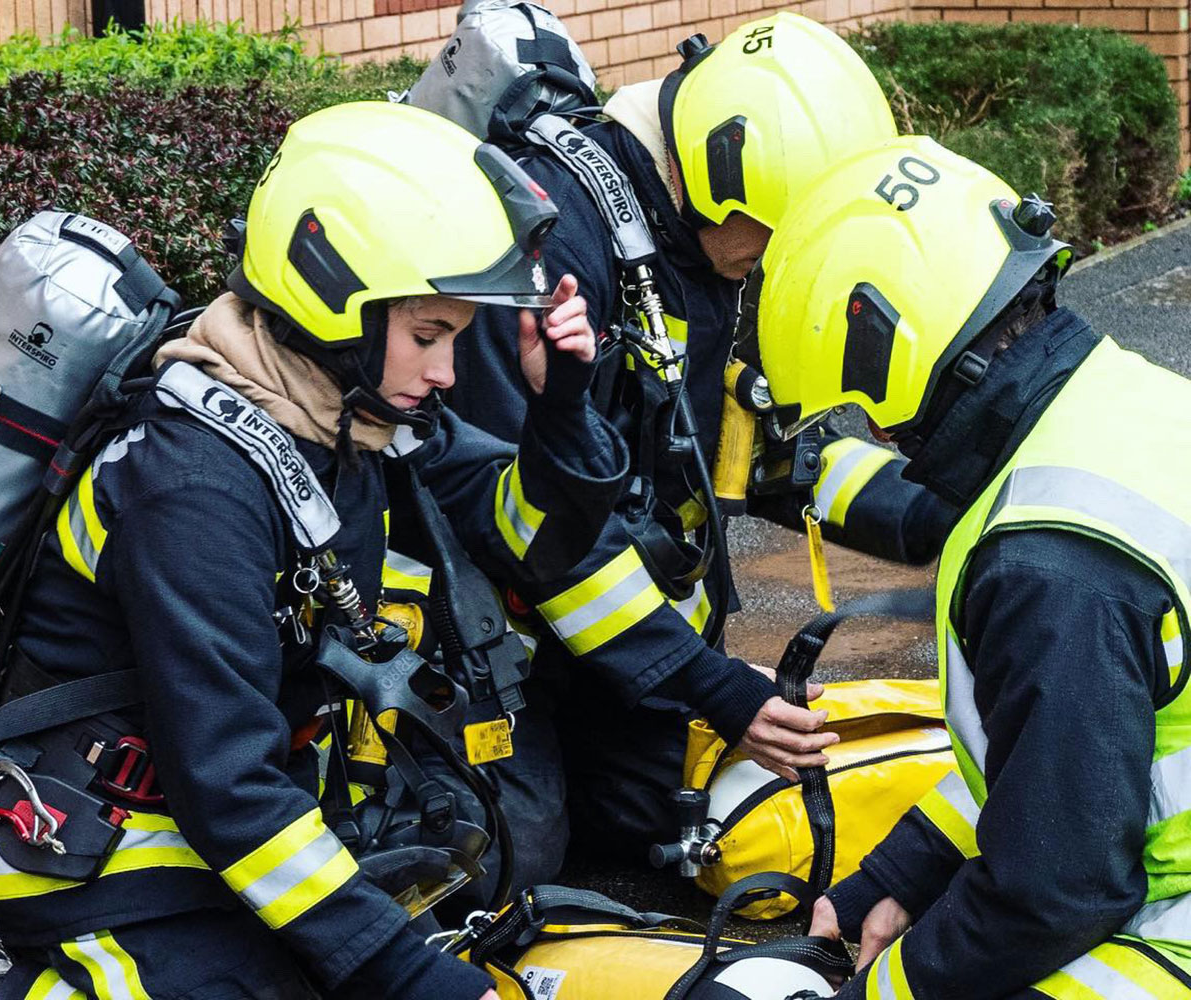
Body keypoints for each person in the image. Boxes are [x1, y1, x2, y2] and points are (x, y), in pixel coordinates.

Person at [0, 100, 628, 1000]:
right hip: (94, 841)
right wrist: (403, 975)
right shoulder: (192, 484)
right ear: (337, 300)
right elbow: (224, 781)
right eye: (429, 335)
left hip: (245, 803)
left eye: (455, 337)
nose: (448, 372)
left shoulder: (353, 420)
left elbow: (528, 538)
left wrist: (566, 404)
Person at [437, 11, 954, 876]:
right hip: (502, 642)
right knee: (514, 854)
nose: (781, 264)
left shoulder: (695, 246)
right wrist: (711, 685)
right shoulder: (553, 247)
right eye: (774, 243)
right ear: (721, 173)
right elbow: (527, 524)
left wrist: (943, 512)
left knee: (663, 825)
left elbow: (754, 452)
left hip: (625, 641)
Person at [747, 134, 1191, 997]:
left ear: (895, 352)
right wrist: (909, 869)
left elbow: (1058, 891)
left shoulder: (1047, 562)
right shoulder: (1127, 403)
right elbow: (1058, 757)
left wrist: (883, 992)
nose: (882, 440)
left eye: (868, 411)